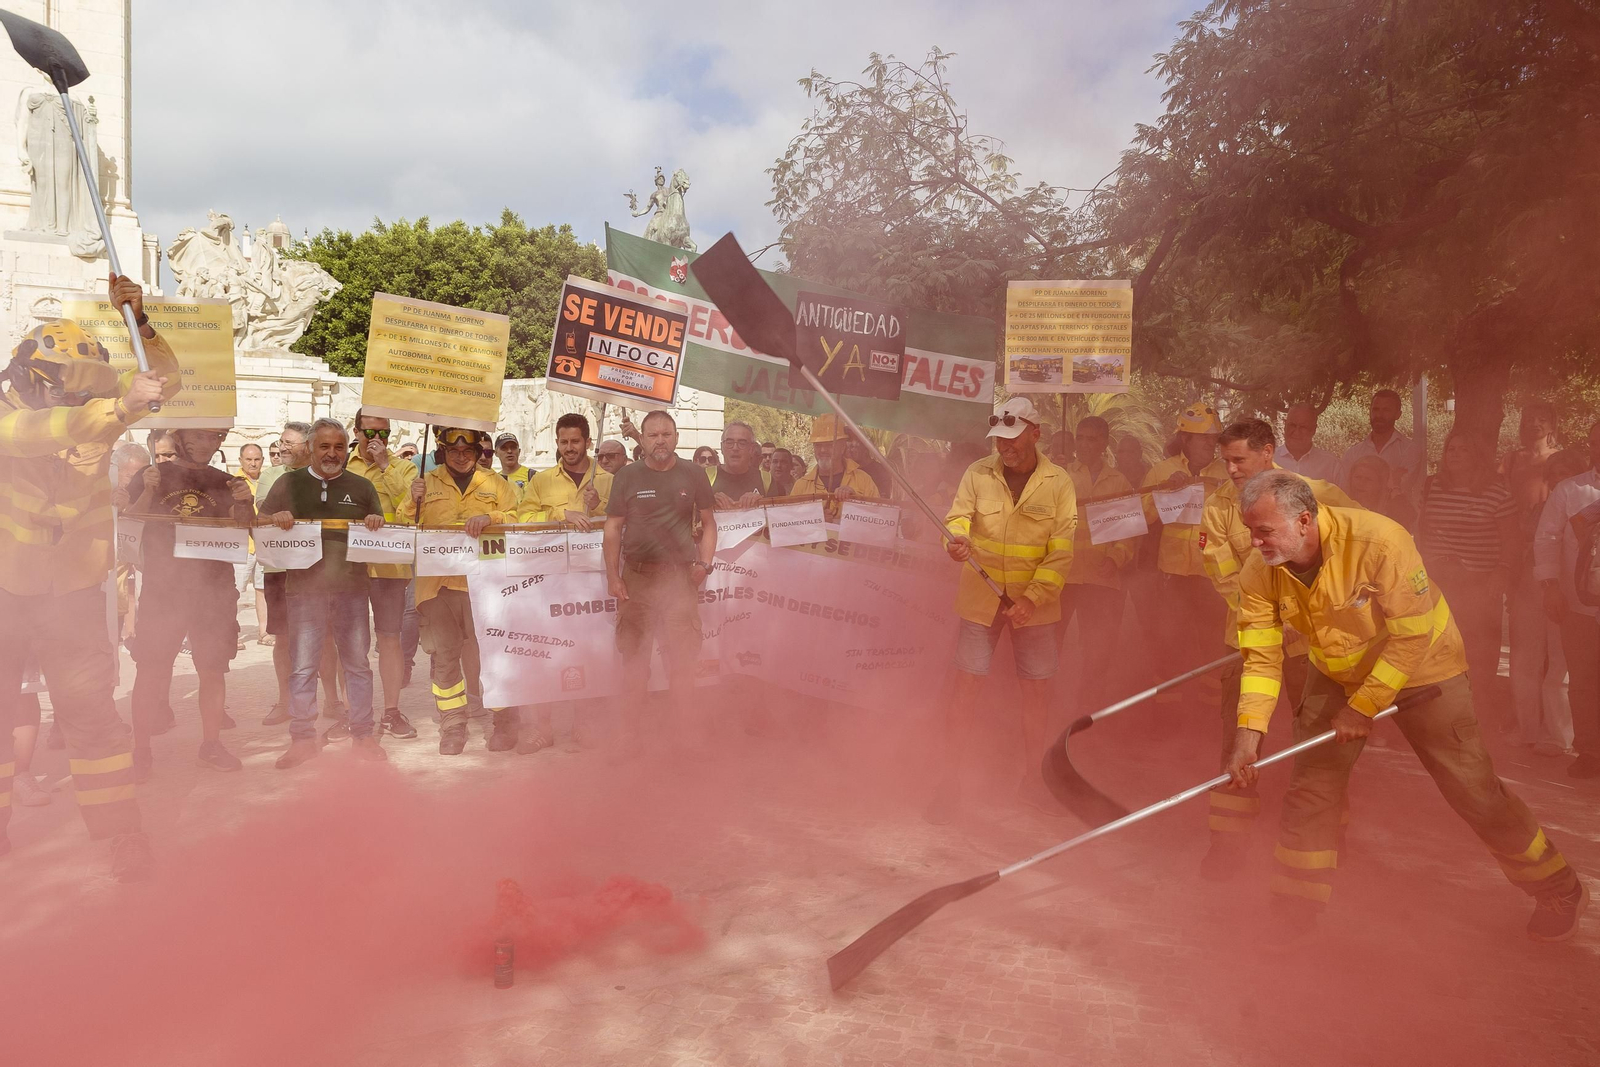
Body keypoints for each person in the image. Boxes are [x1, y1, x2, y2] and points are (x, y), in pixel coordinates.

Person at [1225, 470, 1588, 944]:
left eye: (1264, 531)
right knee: (1312, 789)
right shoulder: (1259, 572)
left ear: (1305, 520)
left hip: (1426, 670)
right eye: (1251, 531)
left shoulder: (1380, 540)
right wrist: (1247, 737)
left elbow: (1412, 635)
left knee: (1472, 791)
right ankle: (1295, 914)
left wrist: (1363, 708)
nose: (1255, 543)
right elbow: (1260, 658)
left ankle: (1556, 887)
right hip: (1336, 670)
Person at [0, 273, 179, 879]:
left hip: (71, 596)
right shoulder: (12, 410)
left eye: (87, 399)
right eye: (69, 398)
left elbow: (165, 384)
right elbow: (26, 437)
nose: (80, 408)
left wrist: (142, 324)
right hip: (6, 593)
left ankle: (121, 835)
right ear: (31, 380)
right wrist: (115, 408)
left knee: (92, 718)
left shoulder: (93, 406)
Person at [1199, 419, 1358, 878]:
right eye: (1225, 460)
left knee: (1321, 746)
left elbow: (1352, 548)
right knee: (1239, 742)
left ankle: (1330, 836)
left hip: (1315, 647)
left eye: (1239, 460)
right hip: (1250, 644)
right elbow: (1225, 575)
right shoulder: (1217, 508)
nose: (1229, 470)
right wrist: (1271, 615)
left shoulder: (1317, 493)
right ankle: (1227, 847)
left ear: (1268, 452)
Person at [926, 396, 1076, 822]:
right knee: (965, 689)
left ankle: (1032, 781)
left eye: (1013, 439)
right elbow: (956, 520)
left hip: (1035, 606)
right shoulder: (977, 472)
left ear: (1035, 433)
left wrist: (1033, 598)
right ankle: (949, 782)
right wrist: (954, 542)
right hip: (981, 597)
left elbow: (1062, 551)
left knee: (1037, 693)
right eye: (999, 440)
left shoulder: (1059, 482)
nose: (1005, 448)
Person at [259, 419, 389, 768]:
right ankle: (302, 739)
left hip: (351, 590)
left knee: (358, 666)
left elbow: (380, 529)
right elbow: (261, 519)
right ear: (311, 449)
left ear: (346, 449)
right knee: (302, 668)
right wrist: (275, 517)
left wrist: (377, 521)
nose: (332, 453)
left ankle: (362, 735)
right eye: (324, 447)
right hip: (304, 592)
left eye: (339, 447)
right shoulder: (288, 483)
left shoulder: (361, 486)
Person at [126, 428, 254, 778]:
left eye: (215, 437)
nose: (208, 444)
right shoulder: (152, 474)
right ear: (181, 436)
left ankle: (211, 744)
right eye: (199, 436)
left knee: (212, 669)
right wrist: (148, 489)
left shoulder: (228, 482)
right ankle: (140, 750)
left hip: (213, 592)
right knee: (151, 669)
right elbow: (129, 520)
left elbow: (246, 530)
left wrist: (245, 501)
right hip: (163, 590)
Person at [400, 427, 520, 755]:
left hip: (486, 585)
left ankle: (505, 721)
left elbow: (518, 517)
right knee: (445, 658)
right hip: (437, 587)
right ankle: (452, 724)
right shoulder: (426, 483)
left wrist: (491, 516)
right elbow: (403, 524)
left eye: (469, 449)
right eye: (454, 449)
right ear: (443, 449)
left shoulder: (496, 483)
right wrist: (412, 501)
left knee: (492, 656)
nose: (462, 455)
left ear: (479, 451)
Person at [603, 411, 716, 749]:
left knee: (682, 662)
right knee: (634, 663)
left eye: (666, 434)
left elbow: (709, 523)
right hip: (636, 579)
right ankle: (628, 735)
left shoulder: (694, 474)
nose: (660, 441)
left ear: (677, 437)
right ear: (643, 438)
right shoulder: (626, 476)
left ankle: (685, 735)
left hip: (679, 580)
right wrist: (612, 575)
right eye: (653, 435)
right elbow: (613, 527)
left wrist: (705, 563)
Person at [1416, 431, 1518, 721]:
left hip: (1479, 581)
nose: (1456, 454)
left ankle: (1477, 715)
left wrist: (1503, 572)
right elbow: (1421, 528)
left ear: (1477, 456)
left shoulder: (1497, 491)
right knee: (1435, 647)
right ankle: (1436, 714)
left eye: (1463, 449)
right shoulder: (1431, 486)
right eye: (1452, 449)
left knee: (1478, 651)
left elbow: (1512, 539)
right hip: (1437, 580)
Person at [345, 409, 420, 740]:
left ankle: (391, 711)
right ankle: (354, 713)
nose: (378, 440)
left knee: (391, 639)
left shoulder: (403, 466)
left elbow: (410, 505)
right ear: (356, 431)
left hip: (391, 565)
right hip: (349, 567)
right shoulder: (343, 465)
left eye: (385, 434)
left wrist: (386, 465)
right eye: (371, 433)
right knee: (349, 641)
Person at [1533, 421, 1600, 779]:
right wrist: (1550, 586)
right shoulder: (1570, 490)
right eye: (1593, 444)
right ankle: (1589, 751)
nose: (1598, 450)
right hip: (1578, 606)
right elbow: (1546, 538)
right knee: (1584, 681)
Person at [1141, 402, 1228, 669]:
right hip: (1173, 575)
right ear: (1185, 439)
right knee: (1169, 645)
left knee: (1213, 647)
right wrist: (1165, 493)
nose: (1210, 444)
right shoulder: (1162, 471)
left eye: (1213, 439)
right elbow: (1142, 518)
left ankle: (1211, 709)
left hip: (1214, 575)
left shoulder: (1227, 474)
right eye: (1203, 438)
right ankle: (1168, 709)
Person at [1060, 416, 1137, 712]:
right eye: (1080, 438)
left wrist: (1115, 558)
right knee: (1048, 647)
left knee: (1097, 654)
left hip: (1102, 581)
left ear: (1105, 443)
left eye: (1092, 439)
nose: (1084, 445)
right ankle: (1047, 706)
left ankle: (1085, 715)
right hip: (1062, 578)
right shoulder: (1061, 476)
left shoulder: (1118, 482)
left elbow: (1128, 535)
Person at [1507, 460, 1573, 755]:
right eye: (1554, 475)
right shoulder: (1537, 511)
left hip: (1569, 591)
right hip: (1530, 587)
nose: (1559, 480)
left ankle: (1559, 737)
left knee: (1561, 665)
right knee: (1524, 662)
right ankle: (1527, 731)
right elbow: (1519, 548)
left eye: (1566, 474)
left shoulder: (1589, 507)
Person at [519, 413, 612, 529]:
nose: (569, 448)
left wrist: (598, 506)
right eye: (564, 442)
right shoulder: (540, 480)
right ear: (557, 443)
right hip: (554, 547)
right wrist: (561, 515)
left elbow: (625, 521)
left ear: (588, 442)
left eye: (575, 441)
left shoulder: (610, 481)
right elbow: (524, 518)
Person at [1337, 388, 1426, 504]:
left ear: (1398, 415)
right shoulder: (1353, 453)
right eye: (1376, 409)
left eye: (1386, 410)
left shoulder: (1410, 450)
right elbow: (1346, 489)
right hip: (1360, 516)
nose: (1379, 415)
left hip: (1396, 518)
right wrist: (1391, 477)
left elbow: (1401, 487)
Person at [792, 415, 879, 521]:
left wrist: (856, 501)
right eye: (818, 445)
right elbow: (792, 527)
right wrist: (815, 520)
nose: (823, 450)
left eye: (829, 445)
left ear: (843, 447)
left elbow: (878, 520)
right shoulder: (801, 486)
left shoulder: (864, 480)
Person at [234, 442, 268, 646]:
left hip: (264, 545)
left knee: (263, 590)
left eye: (257, 459)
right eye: (249, 459)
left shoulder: (266, 480)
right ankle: (231, 633)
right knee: (234, 592)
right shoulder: (233, 482)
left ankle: (264, 632)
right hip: (242, 545)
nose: (253, 463)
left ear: (262, 460)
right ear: (241, 461)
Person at [709, 420, 769, 507]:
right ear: (722, 447)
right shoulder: (704, 477)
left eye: (742, 443)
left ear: (751, 449)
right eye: (729, 442)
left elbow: (777, 516)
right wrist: (708, 502)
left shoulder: (767, 480)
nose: (735, 448)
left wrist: (762, 504)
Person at [1274, 403, 1340, 482]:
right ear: (1285, 426)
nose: (1296, 432)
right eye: (1292, 425)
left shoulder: (1331, 465)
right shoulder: (1270, 460)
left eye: (1303, 427)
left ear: (1313, 430)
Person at [1500, 401, 1560, 480]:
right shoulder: (1510, 459)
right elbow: (1499, 489)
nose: (1535, 424)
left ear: (1552, 426)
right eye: (1530, 420)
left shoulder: (1559, 459)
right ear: (1524, 426)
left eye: (1542, 420)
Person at [846, 431, 894, 497]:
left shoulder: (880, 471)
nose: (850, 450)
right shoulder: (848, 471)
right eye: (848, 447)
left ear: (865, 447)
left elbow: (883, 498)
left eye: (853, 446)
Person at [494, 431, 534, 497]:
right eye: (504, 448)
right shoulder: (495, 480)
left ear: (519, 451)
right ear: (496, 453)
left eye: (513, 447)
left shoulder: (533, 476)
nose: (509, 451)